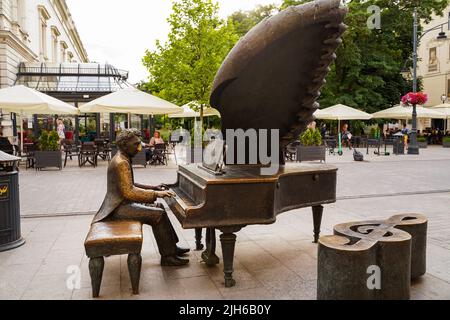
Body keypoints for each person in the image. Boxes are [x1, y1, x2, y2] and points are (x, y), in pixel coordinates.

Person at [92, 129, 190, 266]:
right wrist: (156, 194)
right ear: (125, 145)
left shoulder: (122, 157)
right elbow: (129, 192)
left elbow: (130, 185)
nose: (139, 148)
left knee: (160, 208)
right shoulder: (121, 162)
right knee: (159, 214)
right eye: (136, 144)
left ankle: (171, 248)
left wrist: (153, 188)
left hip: (122, 204)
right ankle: (168, 256)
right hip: (118, 209)